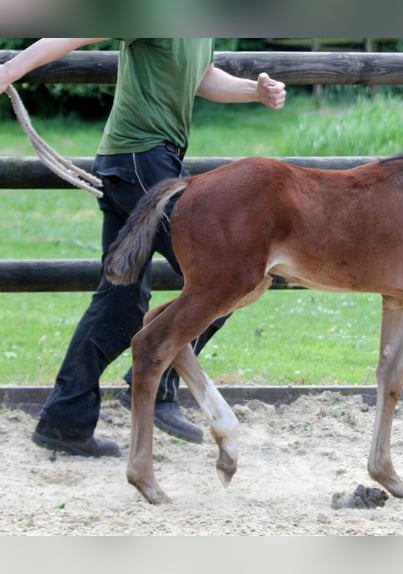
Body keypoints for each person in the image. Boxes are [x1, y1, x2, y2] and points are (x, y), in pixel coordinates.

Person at [0, 38, 286, 457]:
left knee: (120, 301)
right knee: (227, 278)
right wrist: (9, 71)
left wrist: (253, 92)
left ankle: (65, 421)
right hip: (141, 162)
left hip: (137, 164)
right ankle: (160, 381)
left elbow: (202, 77)